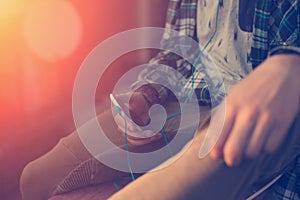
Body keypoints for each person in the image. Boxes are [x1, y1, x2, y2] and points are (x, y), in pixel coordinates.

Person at [20, 0, 300, 199]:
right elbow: (175, 53)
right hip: (186, 100)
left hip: (244, 114)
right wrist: (146, 92)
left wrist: (290, 63)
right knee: (34, 179)